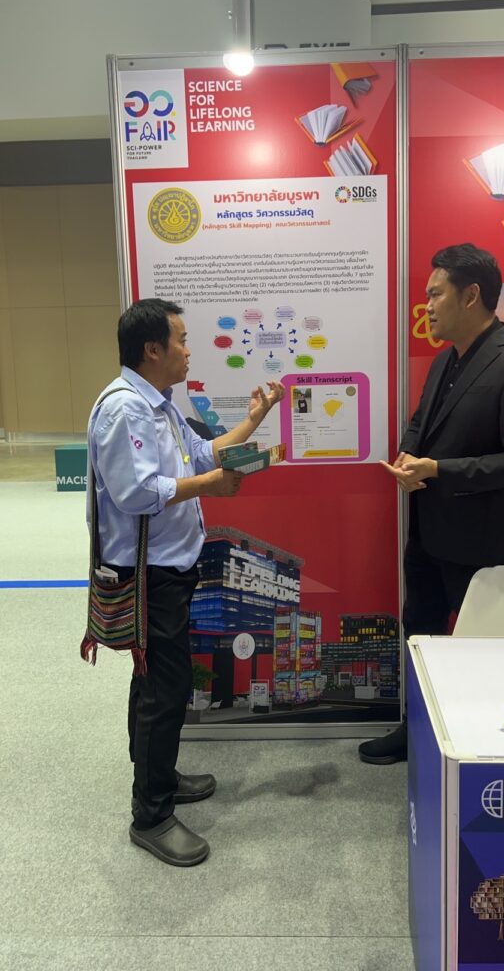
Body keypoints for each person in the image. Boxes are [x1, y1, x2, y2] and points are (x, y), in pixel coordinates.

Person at [87, 298, 284, 864]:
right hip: (147, 574)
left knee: (155, 681)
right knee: (164, 690)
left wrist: (254, 420)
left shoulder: (159, 405)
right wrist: (211, 486)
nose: (188, 350)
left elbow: (200, 453)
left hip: (169, 568)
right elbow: (136, 492)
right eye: (181, 340)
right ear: (153, 349)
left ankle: (159, 775)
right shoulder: (126, 409)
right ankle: (151, 815)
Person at [359, 243, 504, 765]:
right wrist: (409, 454)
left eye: (435, 294)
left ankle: (475, 747)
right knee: (420, 634)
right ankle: (417, 730)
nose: (426, 306)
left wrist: (440, 471)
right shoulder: (447, 358)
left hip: (478, 544)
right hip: (427, 532)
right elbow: (423, 421)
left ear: (471, 296)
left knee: (476, 649)